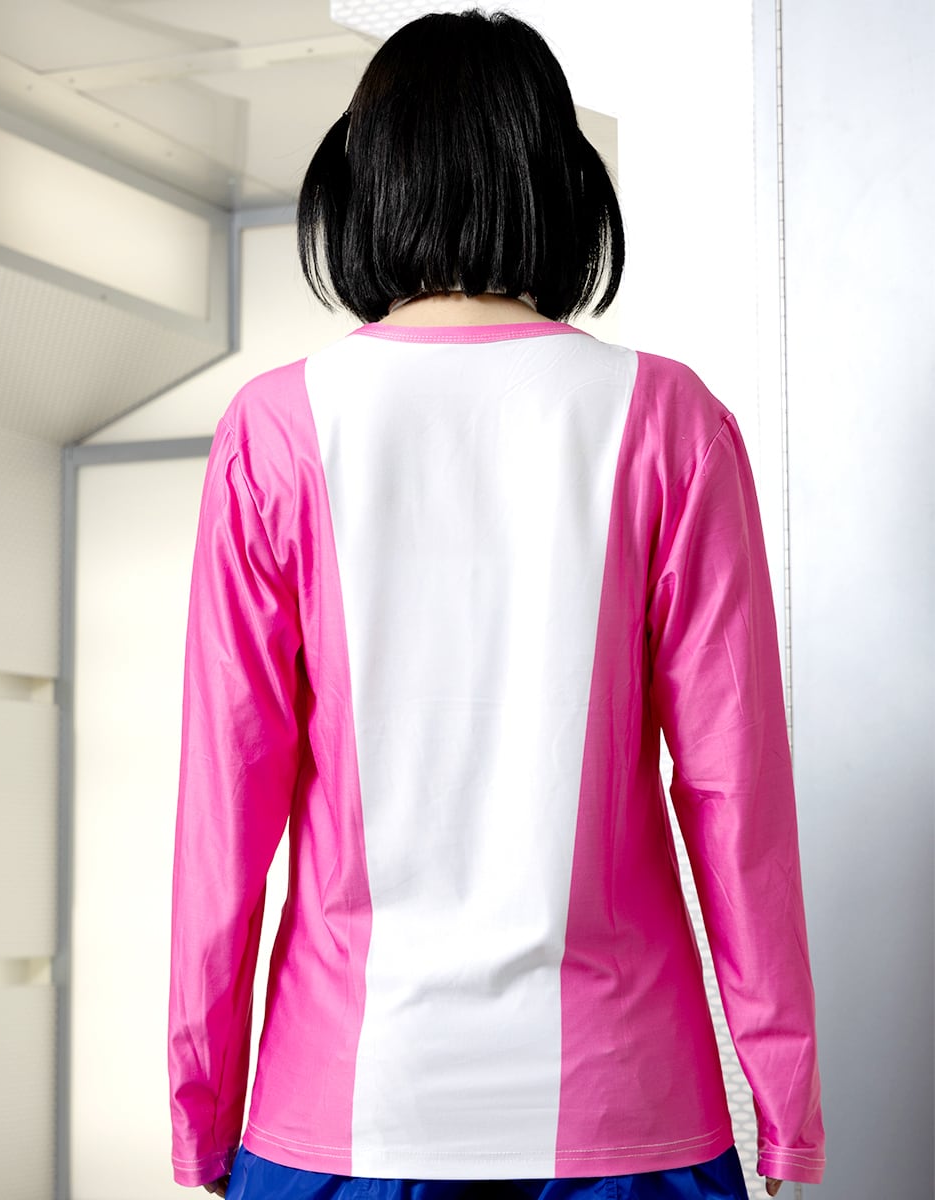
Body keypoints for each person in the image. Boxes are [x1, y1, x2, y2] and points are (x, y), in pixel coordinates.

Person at [168, 10, 825, 1200]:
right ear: (559, 183)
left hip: (343, 1106)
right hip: (626, 1106)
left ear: (363, 183)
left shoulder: (274, 431)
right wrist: (784, 1113)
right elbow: (736, 799)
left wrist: (202, 1110)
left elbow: (226, 808)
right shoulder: (667, 421)